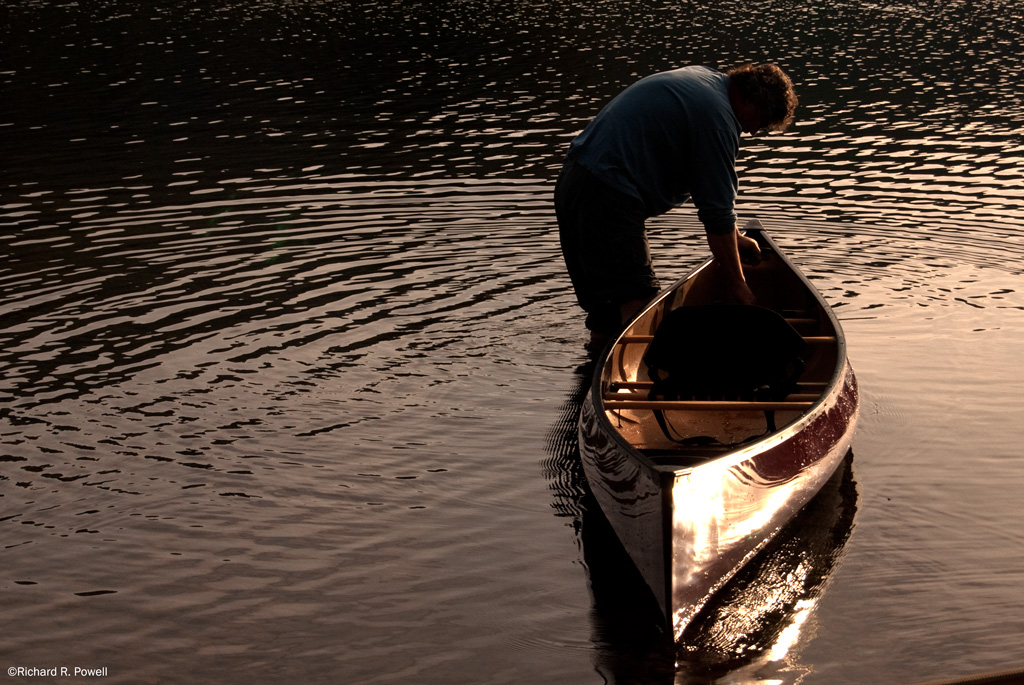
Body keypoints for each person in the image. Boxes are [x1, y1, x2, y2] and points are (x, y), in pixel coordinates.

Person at [554, 63, 798, 347]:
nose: (753, 131)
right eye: (761, 121)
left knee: (606, 312)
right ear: (750, 101)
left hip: (574, 181)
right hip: (607, 192)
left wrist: (736, 238)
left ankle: (595, 366)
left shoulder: (705, 81)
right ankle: (640, 373)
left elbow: (714, 197)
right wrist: (738, 285)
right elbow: (717, 215)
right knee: (639, 303)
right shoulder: (717, 119)